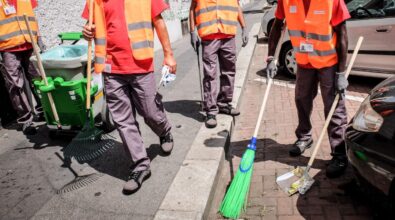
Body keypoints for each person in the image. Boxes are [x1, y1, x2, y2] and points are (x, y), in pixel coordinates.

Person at [82, 0, 176, 194]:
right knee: (123, 121)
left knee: (150, 111)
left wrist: (169, 54)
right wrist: (87, 31)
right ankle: (140, 165)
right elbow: (91, 25)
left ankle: (164, 130)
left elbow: (158, 22)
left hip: (140, 66)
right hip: (110, 68)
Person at [267, 0, 351, 178]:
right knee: (301, 98)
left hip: (328, 62)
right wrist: (270, 58)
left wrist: (341, 73)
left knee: (333, 107)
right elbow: (276, 26)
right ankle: (304, 137)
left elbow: (342, 34)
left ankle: (339, 154)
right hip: (304, 61)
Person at [189, 0, 248, 128]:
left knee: (229, 71)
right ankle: (211, 110)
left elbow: (236, 6)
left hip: (228, 35)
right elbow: (192, 8)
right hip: (209, 36)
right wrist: (192, 31)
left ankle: (224, 104)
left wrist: (244, 27)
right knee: (210, 74)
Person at [0, 0, 45, 135]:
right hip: (7, 47)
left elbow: (33, 16)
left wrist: (39, 38)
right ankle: (26, 119)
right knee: (15, 85)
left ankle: (45, 111)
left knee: (38, 79)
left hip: (29, 42)